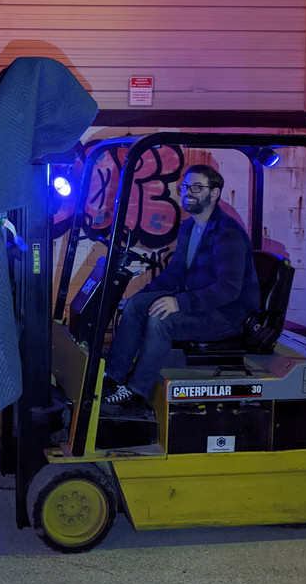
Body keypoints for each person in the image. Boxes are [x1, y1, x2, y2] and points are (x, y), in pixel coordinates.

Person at [102, 164, 260, 410]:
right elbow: (174, 274)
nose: (188, 192)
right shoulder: (189, 227)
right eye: (185, 187)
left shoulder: (227, 234)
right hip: (200, 305)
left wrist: (179, 302)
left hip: (225, 316)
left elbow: (228, 289)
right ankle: (112, 376)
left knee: (161, 319)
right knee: (137, 305)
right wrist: (137, 297)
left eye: (197, 187)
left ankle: (137, 392)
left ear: (214, 193)